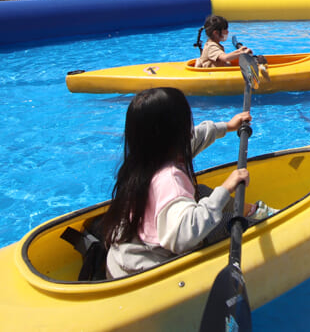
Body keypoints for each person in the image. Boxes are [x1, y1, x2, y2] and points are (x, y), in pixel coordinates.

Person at [101, 87, 274, 279]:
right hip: (145, 271)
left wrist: (226, 126)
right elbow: (185, 236)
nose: (190, 129)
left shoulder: (145, 159)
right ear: (176, 134)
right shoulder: (170, 180)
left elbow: (195, 138)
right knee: (230, 224)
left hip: (119, 261)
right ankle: (261, 222)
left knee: (201, 191)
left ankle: (253, 210)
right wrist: (226, 188)